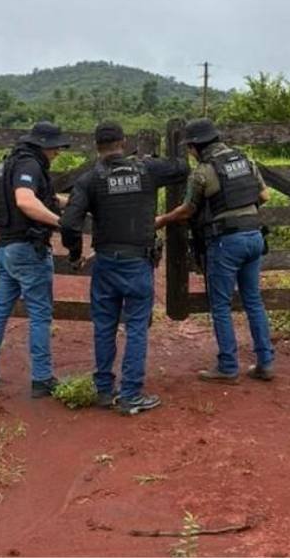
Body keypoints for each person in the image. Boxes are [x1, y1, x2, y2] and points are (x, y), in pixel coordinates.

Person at [60, 121, 189, 415]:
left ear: (96, 146)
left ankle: (105, 390)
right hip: (137, 261)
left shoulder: (90, 179)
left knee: (104, 326)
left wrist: (75, 253)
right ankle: (131, 395)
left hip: (105, 261)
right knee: (136, 328)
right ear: (123, 141)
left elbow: (69, 222)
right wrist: (148, 160)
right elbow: (182, 167)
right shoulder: (146, 171)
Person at [155, 118, 275, 384]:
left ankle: (228, 366)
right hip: (255, 236)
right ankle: (265, 362)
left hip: (227, 241)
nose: (189, 151)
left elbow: (188, 209)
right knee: (253, 301)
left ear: (197, 145)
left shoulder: (203, 172)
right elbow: (265, 196)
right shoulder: (246, 161)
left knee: (220, 305)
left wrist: (162, 220)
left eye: (189, 147)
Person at [0, 121, 72, 398]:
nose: (57, 153)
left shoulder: (12, 163)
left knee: (0, 309)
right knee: (40, 314)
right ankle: (41, 378)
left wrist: (74, 202)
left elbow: (44, 196)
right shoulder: (30, 165)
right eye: (55, 148)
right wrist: (61, 223)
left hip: (5, 248)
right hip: (27, 249)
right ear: (44, 145)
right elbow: (25, 201)